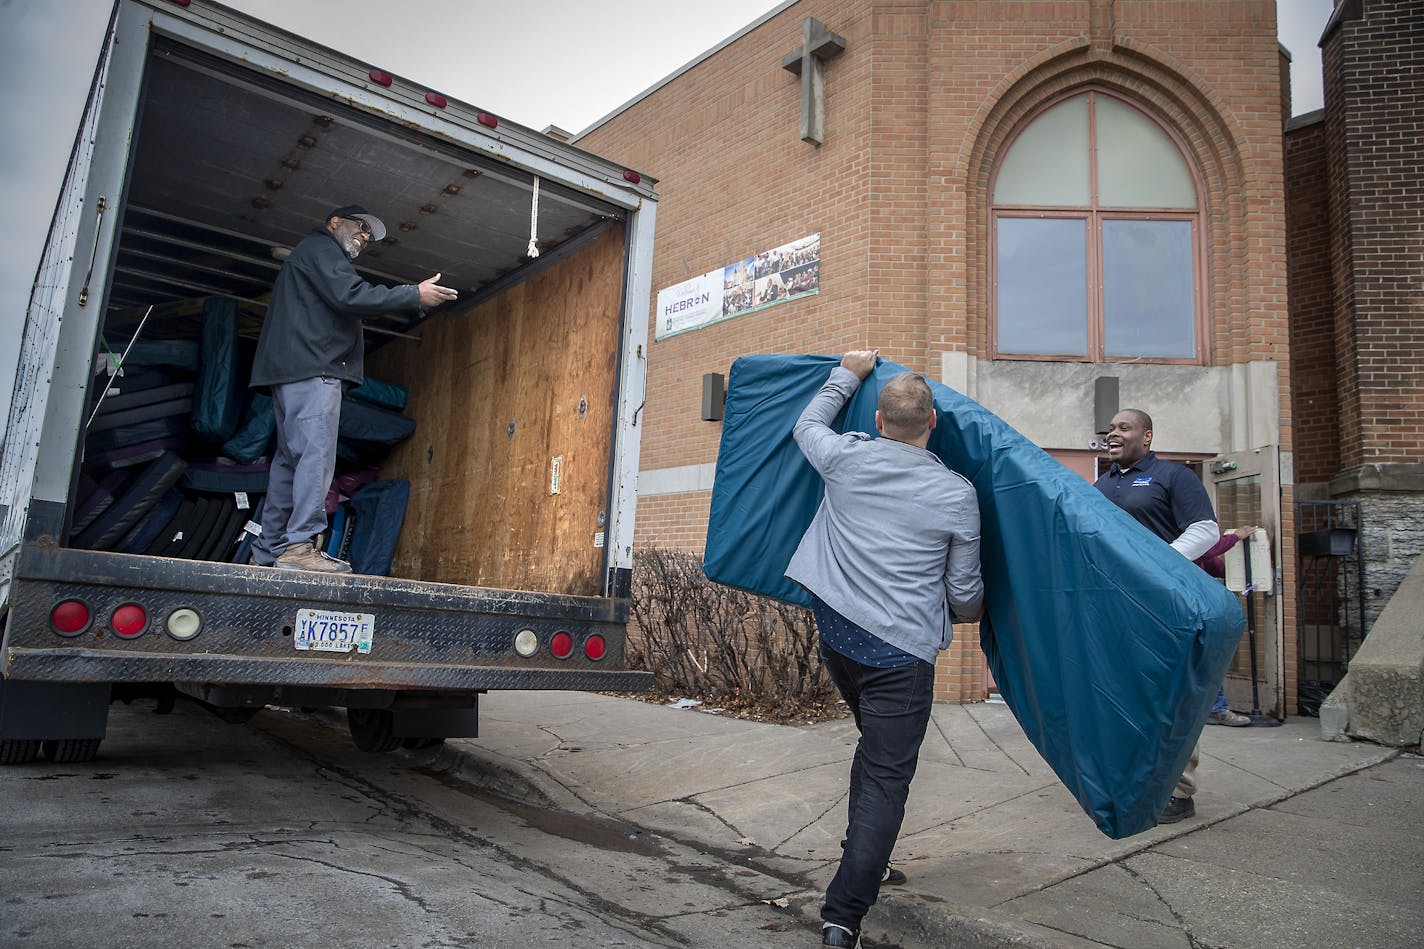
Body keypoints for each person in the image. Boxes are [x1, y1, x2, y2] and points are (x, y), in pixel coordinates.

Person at [785, 349, 984, 948]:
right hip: (900, 652)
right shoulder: (957, 494)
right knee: (886, 778)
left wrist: (847, 371)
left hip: (838, 636)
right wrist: (965, 613)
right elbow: (966, 591)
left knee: (875, 755)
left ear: (876, 421)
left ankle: (862, 860)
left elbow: (806, 426)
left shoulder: (845, 459)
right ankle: (843, 914)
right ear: (933, 424)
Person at [249, 205, 457, 572]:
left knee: (288, 463)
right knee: (315, 456)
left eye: (369, 234)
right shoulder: (322, 249)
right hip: (313, 370)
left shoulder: (310, 256)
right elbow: (352, 296)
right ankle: (298, 547)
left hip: (294, 371)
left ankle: (268, 550)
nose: (364, 236)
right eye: (361, 227)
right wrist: (413, 295)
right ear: (333, 223)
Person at [1094, 408, 1237, 823]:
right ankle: (1133, 783)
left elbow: (1205, 530)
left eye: (1124, 427)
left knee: (1170, 695)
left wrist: (1159, 564)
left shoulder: (1173, 477)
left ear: (1147, 436)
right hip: (1117, 606)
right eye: (1111, 428)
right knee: (1125, 695)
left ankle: (1180, 790)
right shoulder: (1102, 484)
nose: (1113, 433)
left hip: (1165, 605)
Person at [1196, 526, 1258, 727]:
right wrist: (1233, 538)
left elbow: (1216, 565)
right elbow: (1203, 549)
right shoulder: (1184, 538)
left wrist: (1250, 574)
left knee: (1209, 657)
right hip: (1186, 610)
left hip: (1200, 610)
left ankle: (1215, 707)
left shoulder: (1202, 554)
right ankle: (1214, 708)